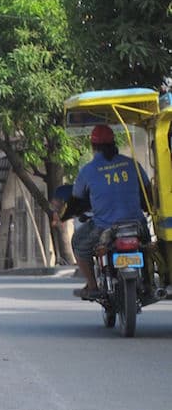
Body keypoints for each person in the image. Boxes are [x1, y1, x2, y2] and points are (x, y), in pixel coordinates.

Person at [63, 124, 151, 300]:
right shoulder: (131, 164)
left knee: (78, 243)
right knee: (148, 247)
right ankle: (149, 282)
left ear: (93, 146)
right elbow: (147, 192)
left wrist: (66, 215)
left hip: (104, 228)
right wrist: (147, 208)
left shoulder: (87, 170)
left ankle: (93, 285)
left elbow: (75, 200)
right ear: (114, 143)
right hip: (137, 225)